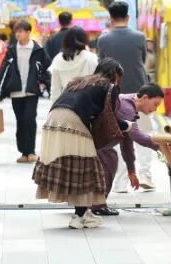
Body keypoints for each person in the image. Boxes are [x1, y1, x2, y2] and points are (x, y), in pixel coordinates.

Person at [33, 58, 128, 230]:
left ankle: (85, 212)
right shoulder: (109, 87)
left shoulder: (80, 81)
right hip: (73, 121)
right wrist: (127, 125)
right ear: (115, 74)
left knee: (74, 166)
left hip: (53, 119)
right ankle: (79, 216)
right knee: (87, 169)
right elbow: (109, 119)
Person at [97, 1, 154, 191]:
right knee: (143, 131)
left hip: (113, 95)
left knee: (116, 134)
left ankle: (120, 181)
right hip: (139, 93)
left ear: (111, 18)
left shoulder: (103, 40)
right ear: (128, 17)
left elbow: (102, 65)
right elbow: (142, 60)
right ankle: (145, 174)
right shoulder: (139, 37)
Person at [94, 83, 164, 216]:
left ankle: (96, 204)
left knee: (110, 157)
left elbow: (127, 142)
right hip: (94, 137)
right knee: (110, 158)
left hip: (97, 137)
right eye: (155, 104)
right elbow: (137, 136)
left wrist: (131, 171)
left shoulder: (129, 103)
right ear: (145, 98)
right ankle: (97, 206)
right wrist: (161, 147)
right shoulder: (127, 107)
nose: (155, 109)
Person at [0, 21, 51, 163]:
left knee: (29, 119)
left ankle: (31, 151)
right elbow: (4, 70)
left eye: (20, 31)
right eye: (16, 32)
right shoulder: (12, 50)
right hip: (16, 91)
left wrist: (44, 82)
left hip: (32, 91)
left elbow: (47, 68)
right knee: (20, 120)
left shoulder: (38, 50)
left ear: (28, 32)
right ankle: (23, 152)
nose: (18, 34)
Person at [48, 27, 98, 100]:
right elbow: (96, 87)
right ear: (85, 40)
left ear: (65, 41)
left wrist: (54, 105)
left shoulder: (58, 59)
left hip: (65, 102)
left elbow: (55, 90)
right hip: (86, 102)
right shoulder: (92, 58)